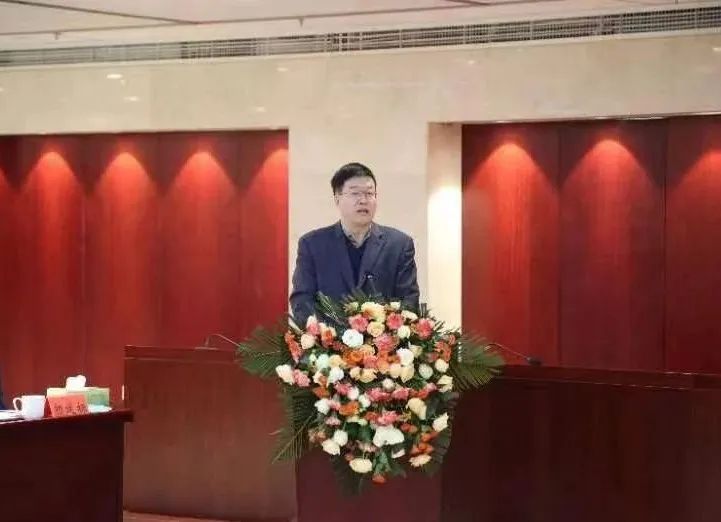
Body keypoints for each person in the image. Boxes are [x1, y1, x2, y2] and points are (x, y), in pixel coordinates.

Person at [290, 162, 420, 325]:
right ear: (337, 198)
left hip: (383, 340)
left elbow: (409, 300)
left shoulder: (399, 245)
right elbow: (302, 299)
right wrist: (320, 333)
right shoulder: (312, 245)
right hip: (328, 339)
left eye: (369, 193)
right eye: (355, 193)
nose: (363, 200)